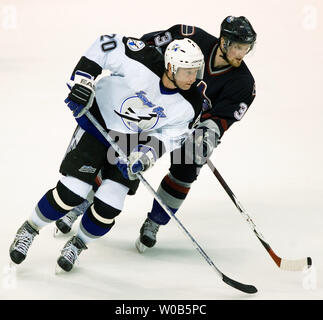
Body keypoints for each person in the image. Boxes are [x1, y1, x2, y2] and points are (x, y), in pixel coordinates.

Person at [54, 16, 257, 253]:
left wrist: (206, 135)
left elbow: (222, 120)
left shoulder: (244, 83)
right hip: (158, 109)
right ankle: (81, 204)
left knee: (187, 167)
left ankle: (154, 223)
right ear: (224, 41)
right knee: (118, 155)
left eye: (246, 49)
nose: (241, 54)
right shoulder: (190, 37)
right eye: (238, 47)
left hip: (189, 127)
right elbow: (146, 49)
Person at [9, 35, 207, 272]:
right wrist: (82, 81)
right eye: (188, 71)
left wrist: (144, 157)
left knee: (109, 206)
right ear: (171, 67)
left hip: (131, 143)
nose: (193, 78)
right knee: (72, 192)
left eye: (196, 71)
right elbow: (106, 43)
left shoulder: (192, 102)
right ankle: (29, 228)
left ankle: (78, 244)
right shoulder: (143, 58)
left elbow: (171, 135)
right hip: (99, 124)